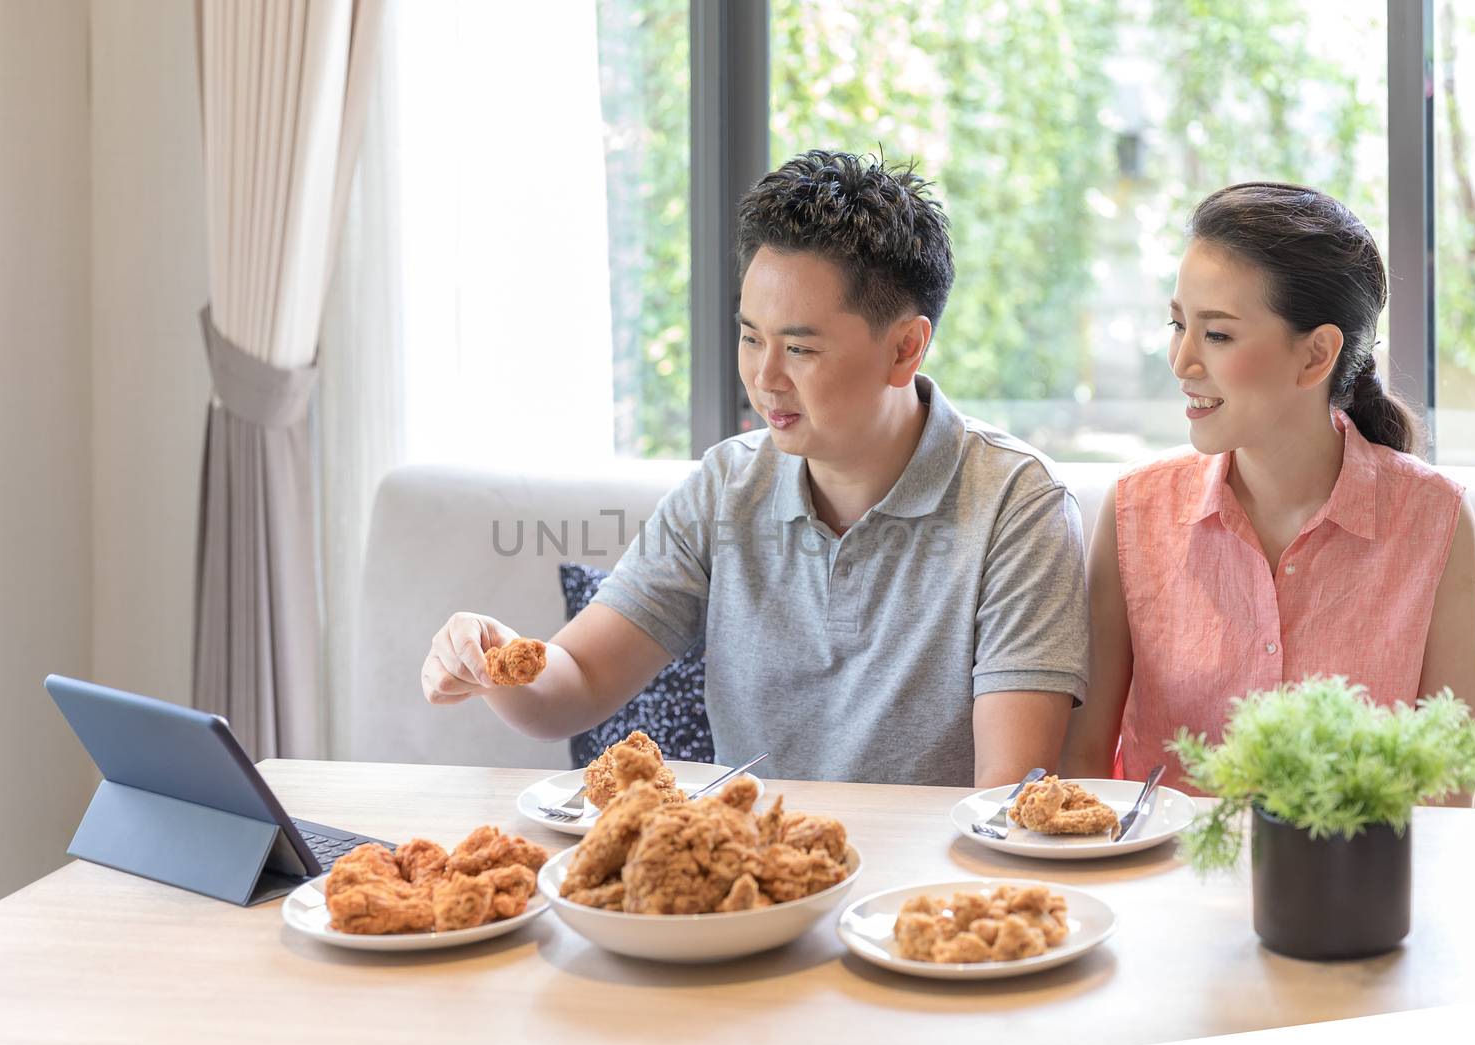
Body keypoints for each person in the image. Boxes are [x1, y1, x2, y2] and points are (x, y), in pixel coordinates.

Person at [419, 149, 1089, 787]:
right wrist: (497, 658)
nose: (763, 378)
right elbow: (575, 686)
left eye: (799, 348)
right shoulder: (725, 486)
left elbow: (1006, 796)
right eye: (749, 336)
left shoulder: (1015, 504)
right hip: (750, 887)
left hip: (921, 895)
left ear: (905, 348)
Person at [1061, 182, 1475, 790]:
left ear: (1317, 355)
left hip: (1354, 881)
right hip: (1167, 878)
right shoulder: (1135, 511)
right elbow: (1084, 765)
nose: (1181, 361)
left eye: (1218, 334)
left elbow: (1449, 787)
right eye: (1177, 324)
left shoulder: (1435, 520)